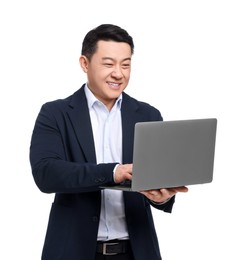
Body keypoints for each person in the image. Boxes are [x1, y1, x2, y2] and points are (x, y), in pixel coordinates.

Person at [29, 24, 188, 260]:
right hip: (73, 251)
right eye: (108, 64)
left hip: (136, 252)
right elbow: (46, 173)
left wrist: (163, 197)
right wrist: (113, 173)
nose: (118, 73)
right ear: (85, 63)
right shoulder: (55, 113)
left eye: (125, 64)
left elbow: (157, 177)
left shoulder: (148, 115)